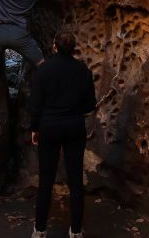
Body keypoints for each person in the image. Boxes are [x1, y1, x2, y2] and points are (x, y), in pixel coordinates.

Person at [28, 30, 96, 238]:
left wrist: (35, 128)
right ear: (74, 49)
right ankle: (76, 231)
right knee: (75, 181)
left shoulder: (43, 70)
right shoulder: (83, 71)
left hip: (49, 127)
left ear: (54, 46)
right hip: (74, 126)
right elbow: (90, 105)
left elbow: (35, 105)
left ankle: (40, 230)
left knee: (46, 180)